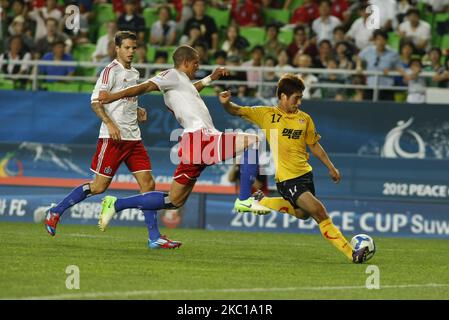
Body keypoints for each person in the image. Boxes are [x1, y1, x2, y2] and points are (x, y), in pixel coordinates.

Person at [96, 45, 265, 237]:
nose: (197, 67)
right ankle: (244, 198)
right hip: (201, 138)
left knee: (174, 201)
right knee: (253, 140)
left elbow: (192, 89)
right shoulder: (172, 75)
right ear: (185, 62)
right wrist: (112, 96)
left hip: (195, 142)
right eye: (195, 63)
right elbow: (145, 86)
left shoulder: (181, 84)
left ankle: (116, 204)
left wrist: (211, 78)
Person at [43, 31, 180, 249]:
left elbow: (125, 101)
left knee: (149, 183)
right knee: (98, 187)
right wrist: (110, 124)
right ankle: (55, 211)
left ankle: (154, 237)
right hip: (112, 139)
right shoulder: (110, 71)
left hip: (133, 139)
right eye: (126, 47)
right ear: (117, 48)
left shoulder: (135, 72)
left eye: (133, 48)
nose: (131, 52)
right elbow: (96, 102)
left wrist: (138, 110)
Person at [220, 73, 370, 263]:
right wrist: (226, 103)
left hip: (305, 175)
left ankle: (264, 201)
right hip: (287, 179)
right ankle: (352, 253)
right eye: (295, 98)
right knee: (319, 211)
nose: (298, 102)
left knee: (303, 214)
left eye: (300, 98)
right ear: (283, 96)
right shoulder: (266, 114)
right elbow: (237, 110)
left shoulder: (304, 119)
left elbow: (314, 145)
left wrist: (331, 167)